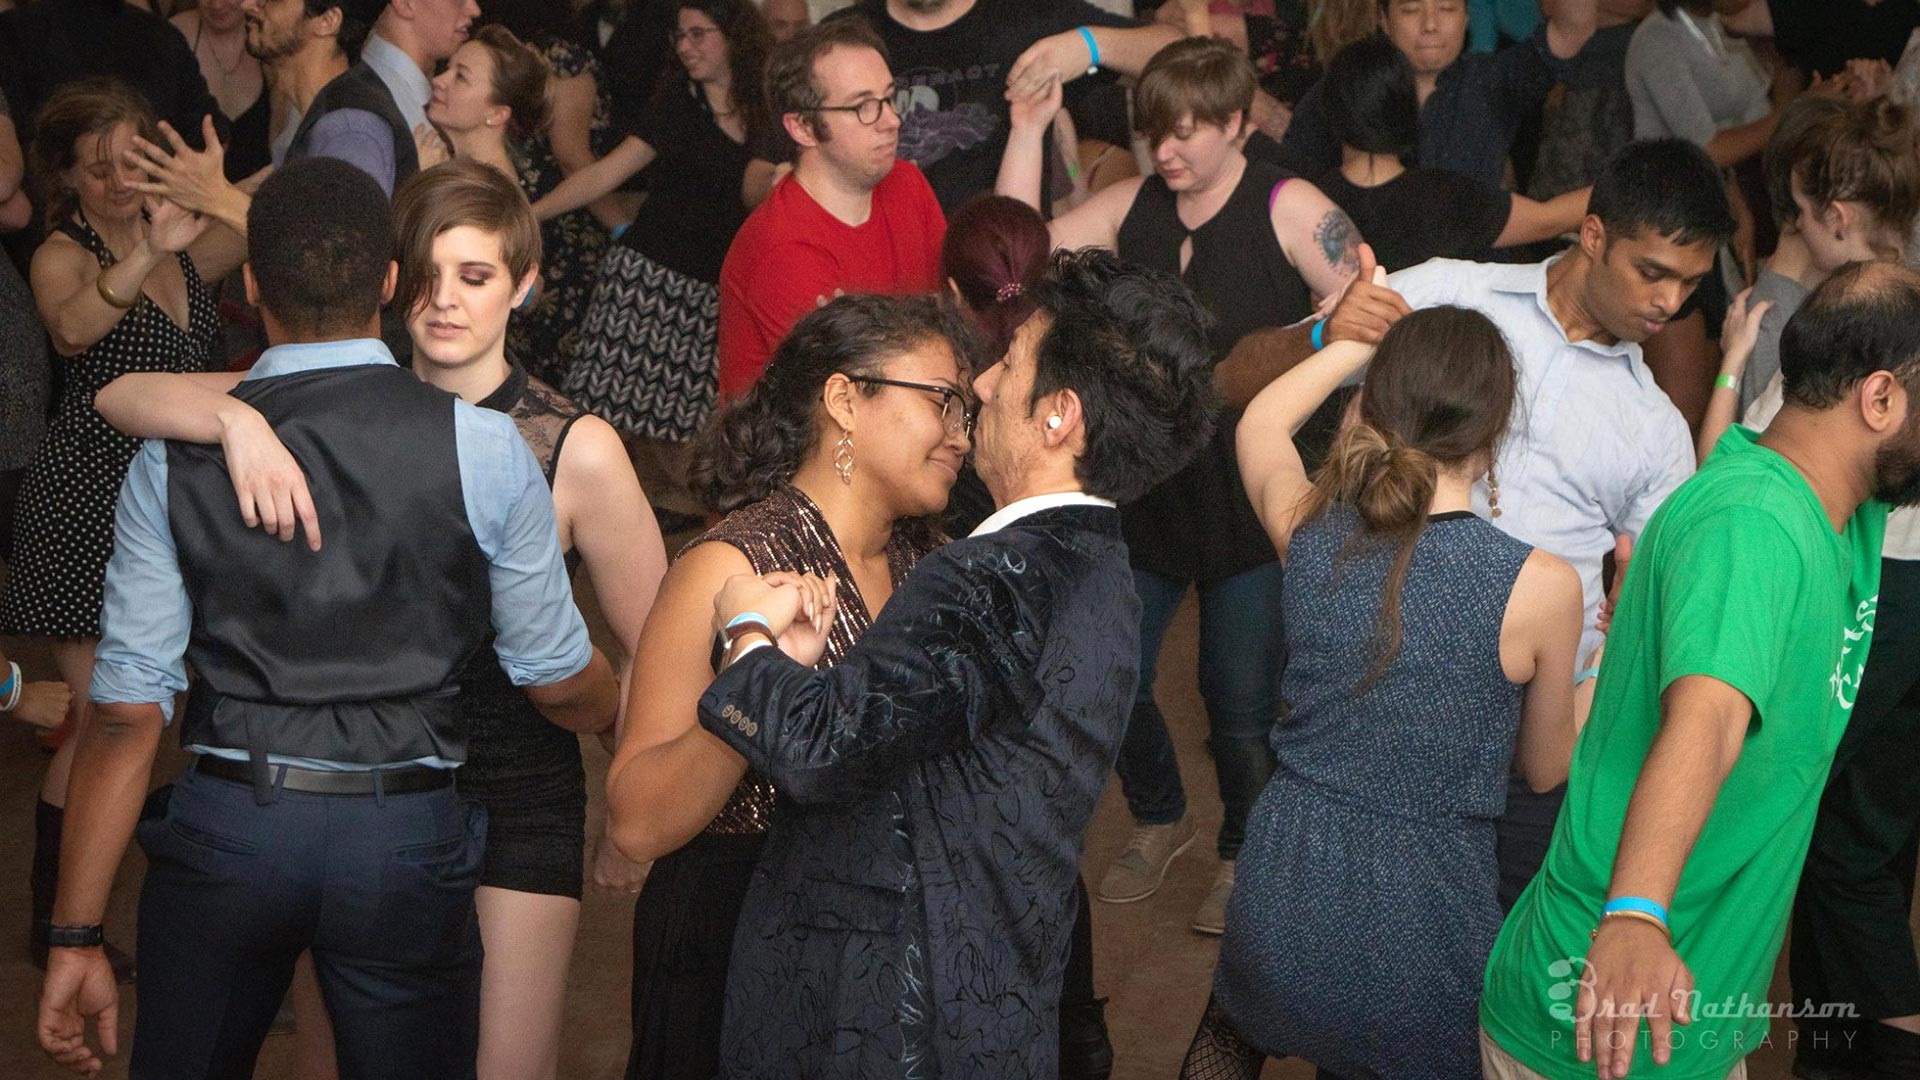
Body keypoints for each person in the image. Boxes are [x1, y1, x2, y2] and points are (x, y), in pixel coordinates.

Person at [34, 156, 621, 1080]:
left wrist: (73, 935)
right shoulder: (485, 447)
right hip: (404, 839)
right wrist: (611, 701)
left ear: (252, 283)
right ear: (391, 283)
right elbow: (551, 673)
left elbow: (123, 715)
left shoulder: (175, 455)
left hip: (229, 827)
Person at [688, 248, 1216, 1079]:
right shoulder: (1104, 570)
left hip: (890, 1021)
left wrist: (745, 632)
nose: (984, 384)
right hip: (995, 998)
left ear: (1058, 416)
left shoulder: (993, 576)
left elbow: (818, 753)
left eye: (1010, 362)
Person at [1220, 137, 1732, 914]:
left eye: (1690, 285)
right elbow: (1235, 380)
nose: (1668, 303)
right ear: (1592, 235)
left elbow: (1652, 606)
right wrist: (1326, 333)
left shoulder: (1658, 433)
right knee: (1364, 929)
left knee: (1486, 965)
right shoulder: (1446, 294)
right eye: (1653, 272)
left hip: (1533, 753)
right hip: (1380, 697)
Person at [1479, 260, 1920, 1080]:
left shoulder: (1830, 513)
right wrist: (1638, 919)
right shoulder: (1754, 525)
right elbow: (1708, 720)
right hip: (1608, 1017)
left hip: (1690, 1014)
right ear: (1880, 398)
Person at [999, 36, 1358, 932]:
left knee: (1237, 701)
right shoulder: (1133, 206)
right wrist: (1030, 128)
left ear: (1238, 122)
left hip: (1250, 498)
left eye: (1189, 131)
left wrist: (1341, 437)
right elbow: (1008, 257)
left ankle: (1243, 850)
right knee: (1103, 678)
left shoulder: (1289, 205)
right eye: (1155, 131)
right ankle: (1163, 817)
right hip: (1147, 495)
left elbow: (1375, 315)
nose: (1167, 151)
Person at [1184, 306, 1592, 1079]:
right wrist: (1604, 676)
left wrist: (1348, 343)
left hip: (1283, 885)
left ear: (1371, 406)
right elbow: (1545, 768)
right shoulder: (1541, 587)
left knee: (1235, 1024)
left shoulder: (1310, 531)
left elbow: (1259, 422)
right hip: (1420, 920)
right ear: (1495, 433)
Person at [605, 294, 966, 1080]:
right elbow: (635, 822)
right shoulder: (726, 566)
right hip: (733, 931)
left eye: (966, 408)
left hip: (878, 940)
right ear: (845, 400)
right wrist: (756, 675)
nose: (959, 433)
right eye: (941, 399)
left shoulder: (932, 564)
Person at [3, 78, 242, 981]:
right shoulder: (59, 252)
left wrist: (210, 195)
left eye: (132, 163)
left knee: (147, 721)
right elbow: (71, 331)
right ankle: (59, 925)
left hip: (170, 509)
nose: (116, 182)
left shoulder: (189, 246)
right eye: (96, 169)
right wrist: (146, 246)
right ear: (64, 177)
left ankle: (88, 909)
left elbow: (302, 250)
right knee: (111, 718)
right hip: (81, 507)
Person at [530, 0, 773, 520]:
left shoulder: (766, 110)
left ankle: (665, 529)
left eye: (699, 34)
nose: (685, 46)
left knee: (691, 427)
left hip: (711, 291)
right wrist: (532, 213)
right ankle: (581, 524)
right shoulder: (675, 107)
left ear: (733, 36)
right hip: (645, 282)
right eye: (680, 36)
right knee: (600, 420)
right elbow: (604, 173)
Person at [716, 18, 946, 400]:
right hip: (804, 450)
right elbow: (857, 402)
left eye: (889, 98)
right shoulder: (781, 247)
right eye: (864, 107)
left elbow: (954, 321)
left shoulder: (908, 184)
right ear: (803, 128)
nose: (892, 120)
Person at [820, 0, 1179, 212]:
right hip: (881, 276)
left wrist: (1090, 44)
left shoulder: (1026, 16)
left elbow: (1185, 53)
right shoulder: (844, 36)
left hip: (1005, 272)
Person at [1702, 95, 1917, 425]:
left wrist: (1733, 361)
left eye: (1802, 210)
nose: (1798, 224)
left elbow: (1753, 458)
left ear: (1836, 217)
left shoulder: (1825, 331)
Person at [424, 25, 610, 389]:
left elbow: (530, 291)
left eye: (460, 77)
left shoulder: (496, 194)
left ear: (496, 114)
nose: (439, 81)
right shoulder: (451, 165)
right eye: (447, 68)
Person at [1316, 33, 1590, 272]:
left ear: (1333, 112)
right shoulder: (1445, 197)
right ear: (1408, 106)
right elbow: (1548, 219)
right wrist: (1627, 181)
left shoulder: (1312, 200)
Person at [1271, 0, 1599, 189]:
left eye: (1446, 8)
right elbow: (1290, 175)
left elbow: (1575, 26)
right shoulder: (1347, 85)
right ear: (1384, 20)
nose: (1430, 24)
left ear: (1467, 16)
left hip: (1476, 267)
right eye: (1412, 10)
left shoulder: (1493, 78)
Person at [0, 0, 223, 159]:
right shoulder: (165, 35)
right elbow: (211, 136)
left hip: (52, 210)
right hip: (154, 209)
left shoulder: (14, 32)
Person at [172, 0, 271, 180]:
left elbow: (280, 139)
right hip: (189, 190)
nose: (216, 4)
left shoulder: (271, 39)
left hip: (257, 191)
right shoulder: (174, 35)